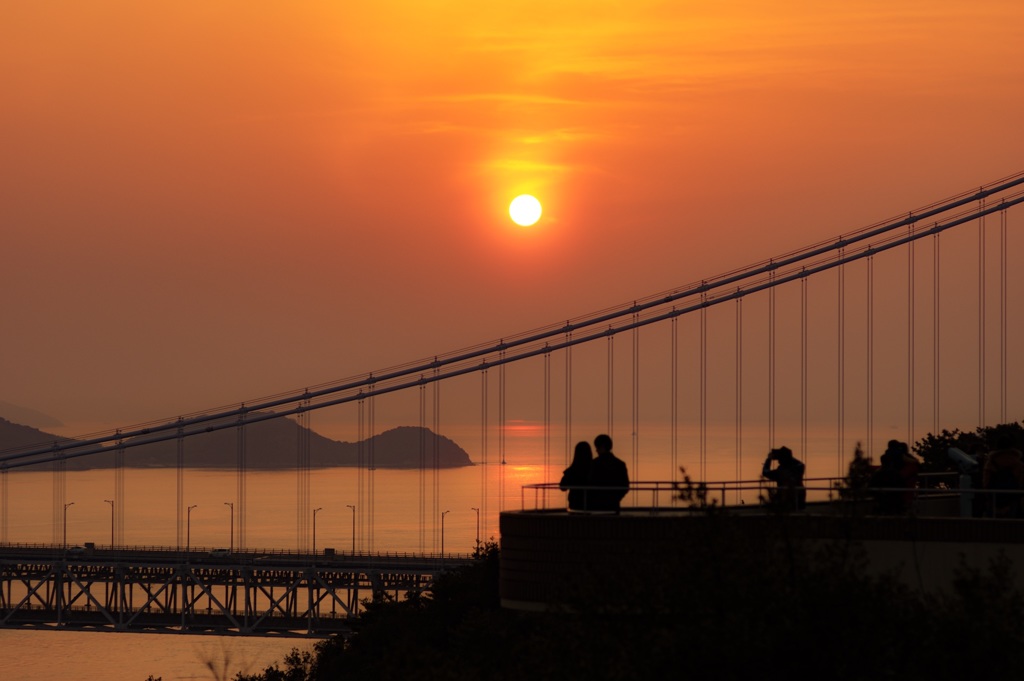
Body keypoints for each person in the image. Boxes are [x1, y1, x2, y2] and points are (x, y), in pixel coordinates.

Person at [982, 433, 1024, 518]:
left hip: (993, 501)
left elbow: (985, 484)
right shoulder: (1018, 464)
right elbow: (1021, 484)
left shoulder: (990, 464)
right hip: (1013, 502)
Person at [586, 434, 630, 513]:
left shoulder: (594, 464)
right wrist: (616, 498)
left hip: (595, 505)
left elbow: (589, 482)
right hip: (614, 505)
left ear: (602, 447)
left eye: (597, 447)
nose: (596, 450)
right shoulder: (620, 464)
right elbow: (625, 486)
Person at [869, 440, 914, 515]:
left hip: (882, 502)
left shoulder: (878, 474)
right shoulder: (896, 473)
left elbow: (871, 487)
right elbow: (902, 484)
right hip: (896, 502)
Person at [761, 446, 806, 510]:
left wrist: (769, 459)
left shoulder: (780, 472)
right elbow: (801, 464)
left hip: (784, 500)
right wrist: (790, 458)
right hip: (800, 499)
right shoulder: (799, 468)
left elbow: (765, 472)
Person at [560, 441, 594, 511]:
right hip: (592, 504)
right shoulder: (595, 468)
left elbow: (563, 487)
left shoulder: (572, 470)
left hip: (575, 504)